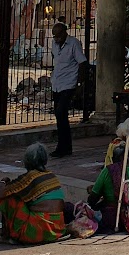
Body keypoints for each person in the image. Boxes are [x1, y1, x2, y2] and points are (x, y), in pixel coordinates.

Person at [0, 142, 69, 244]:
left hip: (39, 230)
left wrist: (3, 182)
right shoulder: (51, 175)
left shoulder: (29, 178)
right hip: (57, 230)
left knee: (10, 198)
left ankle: (7, 235)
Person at [48, 22, 87, 158]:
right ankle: (64, 147)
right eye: (54, 37)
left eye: (58, 36)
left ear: (64, 33)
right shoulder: (54, 44)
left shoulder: (74, 44)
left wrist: (79, 83)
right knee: (59, 116)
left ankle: (63, 147)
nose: (56, 39)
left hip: (69, 83)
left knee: (61, 112)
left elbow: (82, 62)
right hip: (57, 82)